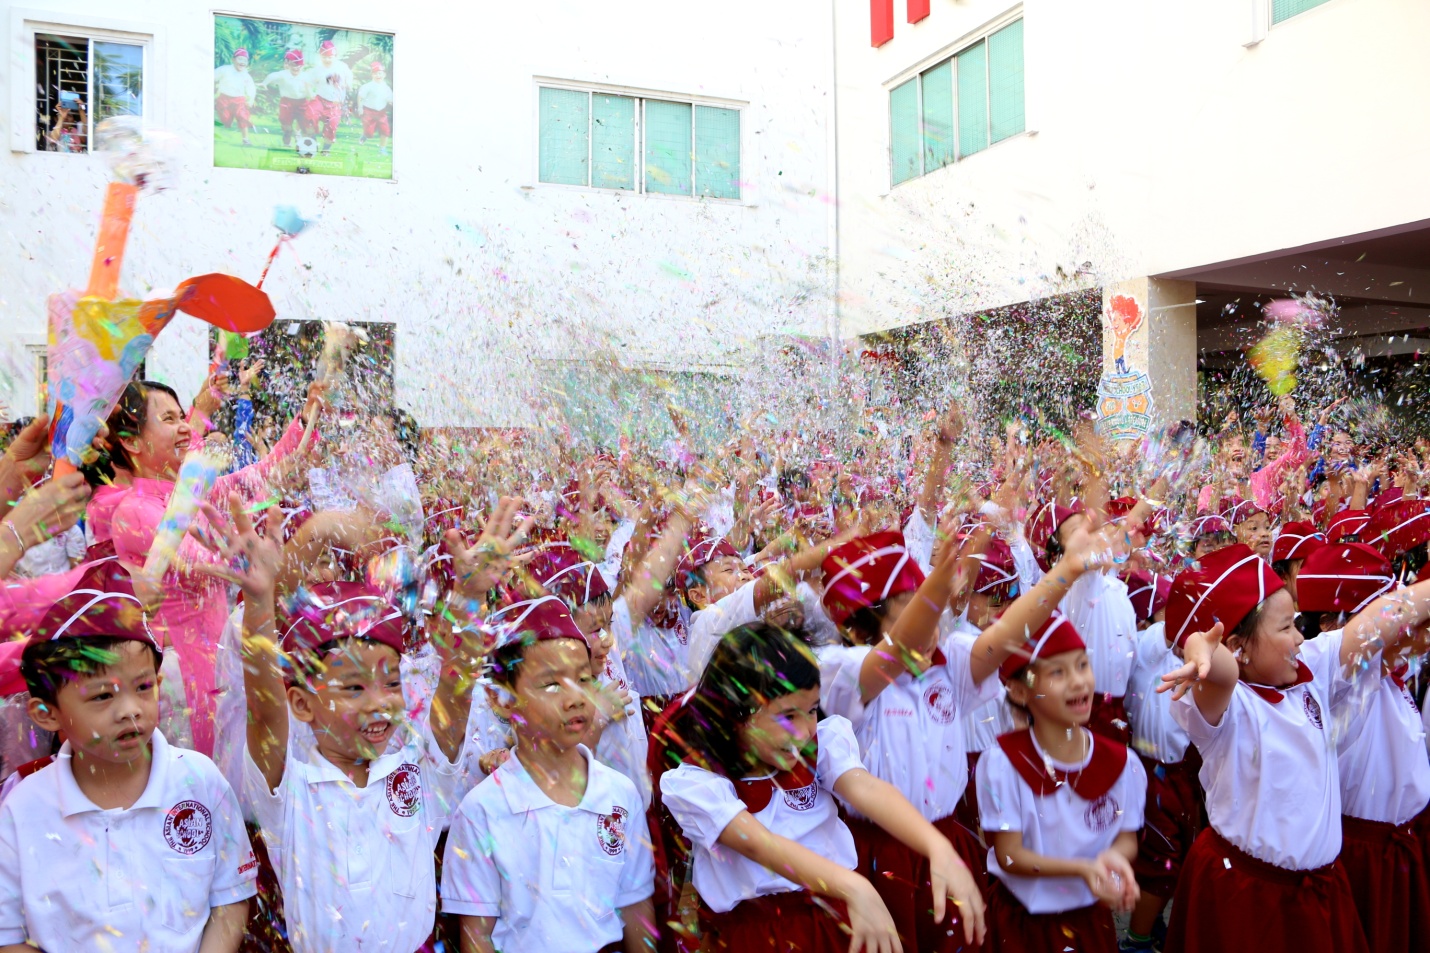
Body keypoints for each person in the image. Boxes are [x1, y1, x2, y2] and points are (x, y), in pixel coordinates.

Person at [195, 493, 527, 953]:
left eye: (390, 683)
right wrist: (259, 602)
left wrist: (470, 597)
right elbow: (265, 705)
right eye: (353, 688)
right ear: (303, 705)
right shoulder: (287, 789)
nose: (379, 704)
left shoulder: (417, 775)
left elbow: (455, 687)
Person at [1158, 543, 1430, 953]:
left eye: (1297, 623)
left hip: (1322, 888)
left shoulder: (1311, 671)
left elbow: (1384, 617)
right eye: (1286, 628)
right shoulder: (1227, 708)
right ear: (1239, 647)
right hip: (1249, 896)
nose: (1301, 638)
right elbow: (1219, 672)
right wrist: (1203, 650)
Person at [660, 622, 986, 952]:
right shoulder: (697, 784)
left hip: (838, 920)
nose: (804, 731)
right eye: (787, 716)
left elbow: (867, 788)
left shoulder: (823, 746)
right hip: (761, 938)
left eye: (812, 710)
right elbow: (760, 845)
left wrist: (937, 846)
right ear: (737, 713)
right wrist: (851, 885)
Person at [0, 561, 255, 951]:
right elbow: (10, 935)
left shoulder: (198, 782)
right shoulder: (22, 810)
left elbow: (230, 897)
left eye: (143, 686)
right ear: (47, 714)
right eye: (103, 696)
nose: (131, 710)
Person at [101, 378, 317, 755]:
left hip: (221, 663)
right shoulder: (134, 511)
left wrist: (309, 414)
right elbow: (205, 563)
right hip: (180, 678)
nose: (186, 427)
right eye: (168, 419)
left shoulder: (194, 492)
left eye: (183, 415)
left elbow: (263, 474)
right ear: (132, 442)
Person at [441, 595, 656, 953]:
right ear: (502, 700)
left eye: (584, 679)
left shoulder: (619, 795)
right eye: (552, 684)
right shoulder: (482, 812)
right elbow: (477, 938)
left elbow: (636, 910)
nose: (575, 698)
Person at [977, 613, 1146, 953]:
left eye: (1083, 665)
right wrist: (1082, 869)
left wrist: (1113, 859)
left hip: (1088, 921)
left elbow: (1127, 838)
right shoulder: (1003, 764)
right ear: (1021, 691)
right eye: (1058, 672)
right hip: (1021, 924)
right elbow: (1009, 857)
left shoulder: (1122, 763)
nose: (1079, 681)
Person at [1298, 543, 1430, 953]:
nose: (1413, 628)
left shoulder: (1390, 672)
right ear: (1330, 625)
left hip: (1398, 853)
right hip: (1359, 860)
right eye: (1388, 613)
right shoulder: (1331, 677)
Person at [1120, 571, 1195, 953]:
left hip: (1184, 770)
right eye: (1167, 611)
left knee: (1180, 854)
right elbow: (1160, 637)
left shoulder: (1171, 649)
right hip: (1155, 772)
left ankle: (1152, 924)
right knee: (1161, 859)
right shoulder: (1145, 647)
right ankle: (1135, 939)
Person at [304, 40, 352, 156]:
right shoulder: (317, 69)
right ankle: (312, 140)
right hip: (320, 99)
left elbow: (349, 82)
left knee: (332, 125)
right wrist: (310, 93)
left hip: (335, 104)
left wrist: (346, 86)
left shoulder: (342, 67)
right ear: (320, 56)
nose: (327, 60)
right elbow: (307, 82)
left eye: (330, 57)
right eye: (324, 57)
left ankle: (326, 149)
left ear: (335, 56)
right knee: (309, 115)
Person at [258, 50, 314, 147]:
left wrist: (312, 96)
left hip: (302, 103)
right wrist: (265, 83)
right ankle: (286, 143)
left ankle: (303, 145)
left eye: (298, 65)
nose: (296, 68)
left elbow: (309, 88)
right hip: (287, 103)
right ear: (288, 65)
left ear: (302, 65)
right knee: (287, 127)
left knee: (305, 126)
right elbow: (272, 76)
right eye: (293, 65)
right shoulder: (284, 74)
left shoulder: (305, 76)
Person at [214, 48, 257, 146]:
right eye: (240, 59)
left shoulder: (246, 76)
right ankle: (225, 123)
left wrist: (250, 100)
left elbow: (251, 89)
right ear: (233, 59)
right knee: (225, 119)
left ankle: (246, 139)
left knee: (243, 117)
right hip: (224, 99)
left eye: (245, 60)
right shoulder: (224, 70)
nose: (242, 62)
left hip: (239, 100)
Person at [357, 61, 393, 155]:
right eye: (375, 73)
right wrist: (360, 108)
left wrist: (391, 102)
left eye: (380, 73)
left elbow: (390, 98)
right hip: (369, 111)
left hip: (381, 112)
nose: (378, 75)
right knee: (369, 133)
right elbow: (360, 97)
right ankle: (366, 135)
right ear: (372, 75)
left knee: (385, 131)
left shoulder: (386, 88)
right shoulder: (368, 86)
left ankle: (382, 149)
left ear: (384, 74)